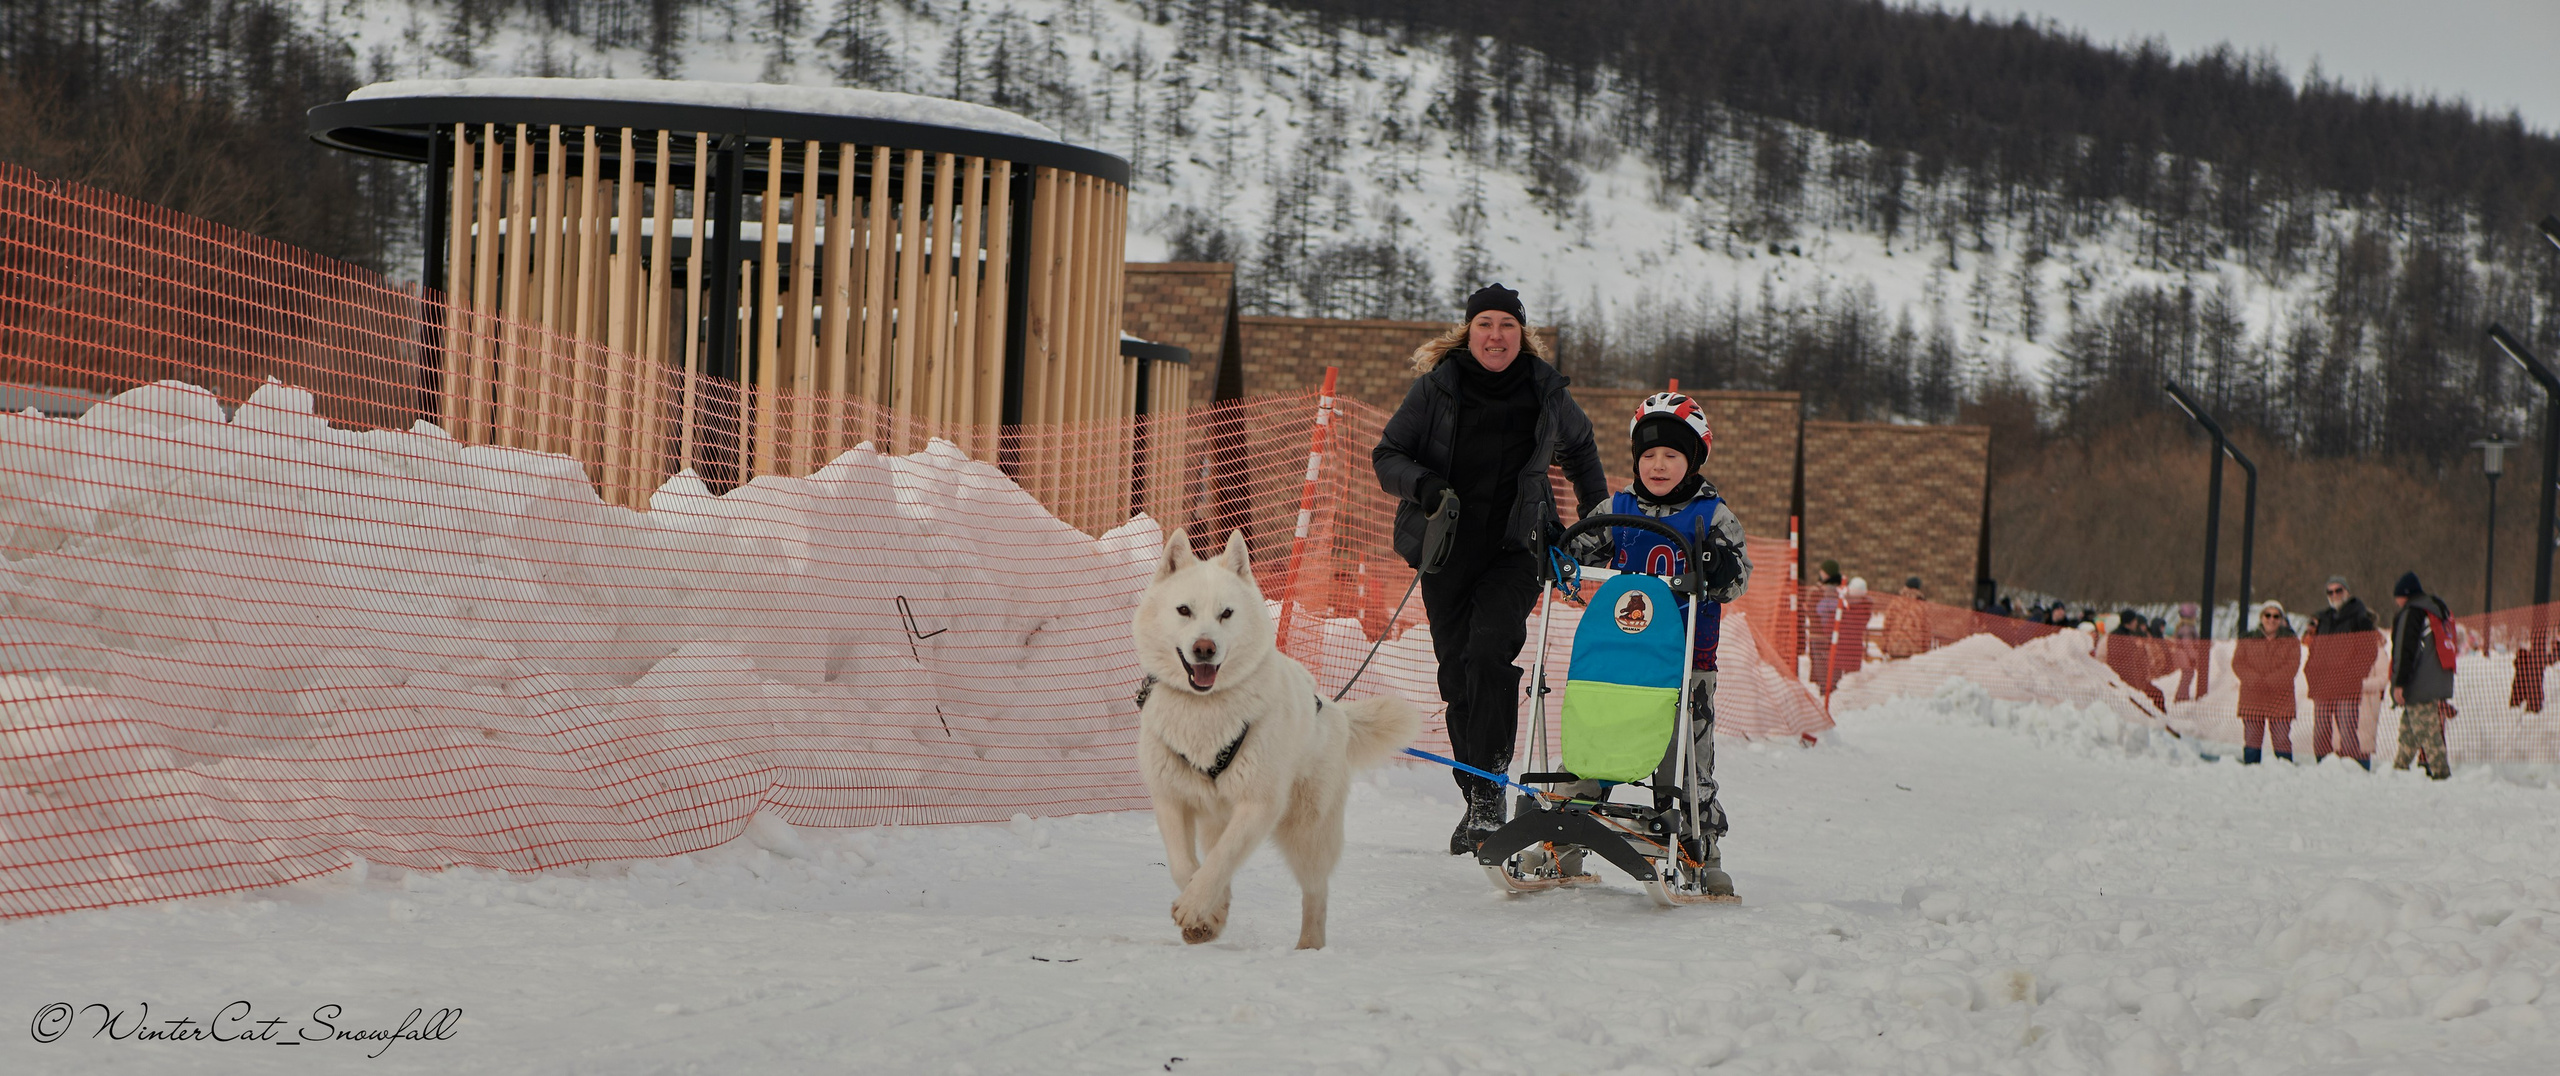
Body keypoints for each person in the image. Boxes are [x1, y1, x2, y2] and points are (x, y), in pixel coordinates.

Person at [1372, 283, 1609, 854]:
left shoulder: (1545, 393)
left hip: (1515, 549)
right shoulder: (1436, 389)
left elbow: (1581, 450)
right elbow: (1388, 457)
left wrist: (1596, 523)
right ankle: (1477, 791)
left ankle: (1486, 802)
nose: (1496, 335)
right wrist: (1426, 487)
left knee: (1488, 655)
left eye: (1507, 324)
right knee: (1457, 675)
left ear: (1521, 335)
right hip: (1447, 549)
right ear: (1469, 331)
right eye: (1486, 324)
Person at [1569, 391, 1750, 895]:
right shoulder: (1618, 508)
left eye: (1672, 455)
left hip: (1688, 660)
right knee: (1600, 733)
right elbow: (1580, 546)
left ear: (1694, 459)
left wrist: (1719, 565)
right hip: (1622, 658)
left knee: (1687, 754)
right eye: (1648, 455)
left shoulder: (1712, 515)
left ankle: (1700, 844)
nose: (1659, 464)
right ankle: (1565, 828)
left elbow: (1739, 578)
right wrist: (1557, 553)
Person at [2304, 575, 2379, 769]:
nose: (2334, 595)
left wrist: (2353, 674)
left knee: (2347, 729)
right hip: (2323, 684)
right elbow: (2313, 649)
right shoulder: (2323, 618)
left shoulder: (2360, 616)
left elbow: (2369, 651)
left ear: (2347, 592)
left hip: (2347, 684)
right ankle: (2323, 767)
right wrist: (2311, 673)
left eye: (2338, 590)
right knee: (2320, 730)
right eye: (2330, 592)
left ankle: (2355, 768)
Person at [2386, 572, 2456, 780]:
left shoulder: (2412, 612)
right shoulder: (2432, 609)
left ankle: (2442, 775)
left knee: (2427, 731)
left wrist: (2399, 683)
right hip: (2437, 678)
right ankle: (2398, 769)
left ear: (2404, 595)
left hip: (2419, 683)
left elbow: (2405, 651)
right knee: (2409, 729)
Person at [2232, 600, 2303, 764]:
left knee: (2281, 740)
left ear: (2281, 619)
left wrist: (2270, 681)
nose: (2271, 619)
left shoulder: (2291, 641)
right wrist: (2254, 680)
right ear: (2261, 617)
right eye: (2268, 615)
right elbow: (2238, 663)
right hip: (2252, 697)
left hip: (2280, 699)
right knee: (2252, 740)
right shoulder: (2248, 638)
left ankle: (2284, 774)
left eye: (2276, 616)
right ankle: (2251, 773)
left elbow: (2291, 666)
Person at [1825, 577, 1870, 695]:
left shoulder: (1843, 606)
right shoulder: (1865, 609)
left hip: (1839, 649)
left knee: (1834, 684)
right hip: (1854, 650)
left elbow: (1829, 626)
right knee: (1852, 684)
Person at [1881, 576, 1927, 660]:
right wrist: (1925, 650)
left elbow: (1887, 625)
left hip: (1894, 646)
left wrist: (1884, 646)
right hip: (1913, 650)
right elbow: (1925, 630)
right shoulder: (1921, 606)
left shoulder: (1895, 602)